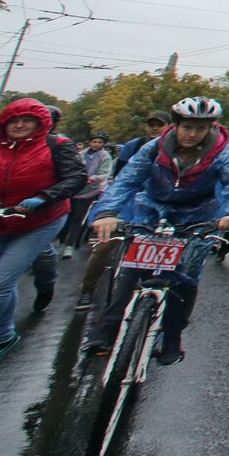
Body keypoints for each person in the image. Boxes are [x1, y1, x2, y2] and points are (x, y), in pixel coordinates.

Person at [82, 97, 229, 365]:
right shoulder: (154, 147)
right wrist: (107, 212)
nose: (192, 134)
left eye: (200, 129)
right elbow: (127, 180)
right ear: (175, 126)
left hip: (198, 214)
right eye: (187, 127)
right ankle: (107, 330)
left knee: (186, 276)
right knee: (133, 268)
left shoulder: (221, 151)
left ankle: (172, 337)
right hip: (152, 208)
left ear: (210, 129)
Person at [0, 99, 86, 374]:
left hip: (39, 221)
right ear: (4, 124)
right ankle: (3, 335)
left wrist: (43, 198)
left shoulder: (58, 146)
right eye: (14, 121)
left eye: (27, 121)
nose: (20, 125)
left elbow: (76, 177)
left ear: (40, 123)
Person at [74, 114, 168, 310]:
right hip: (128, 202)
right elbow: (121, 178)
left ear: (169, 126)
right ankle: (87, 290)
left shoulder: (178, 147)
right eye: (150, 125)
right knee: (105, 246)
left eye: (159, 125)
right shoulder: (134, 145)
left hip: (157, 204)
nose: (154, 129)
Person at [57, 131, 113, 259]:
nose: (96, 144)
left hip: (90, 190)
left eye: (100, 142)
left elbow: (104, 174)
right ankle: (61, 240)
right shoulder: (81, 154)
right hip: (75, 188)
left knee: (78, 217)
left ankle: (69, 245)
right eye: (94, 142)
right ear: (90, 142)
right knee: (66, 214)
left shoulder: (105, 157)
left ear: (103, 144)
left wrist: (92, 178)